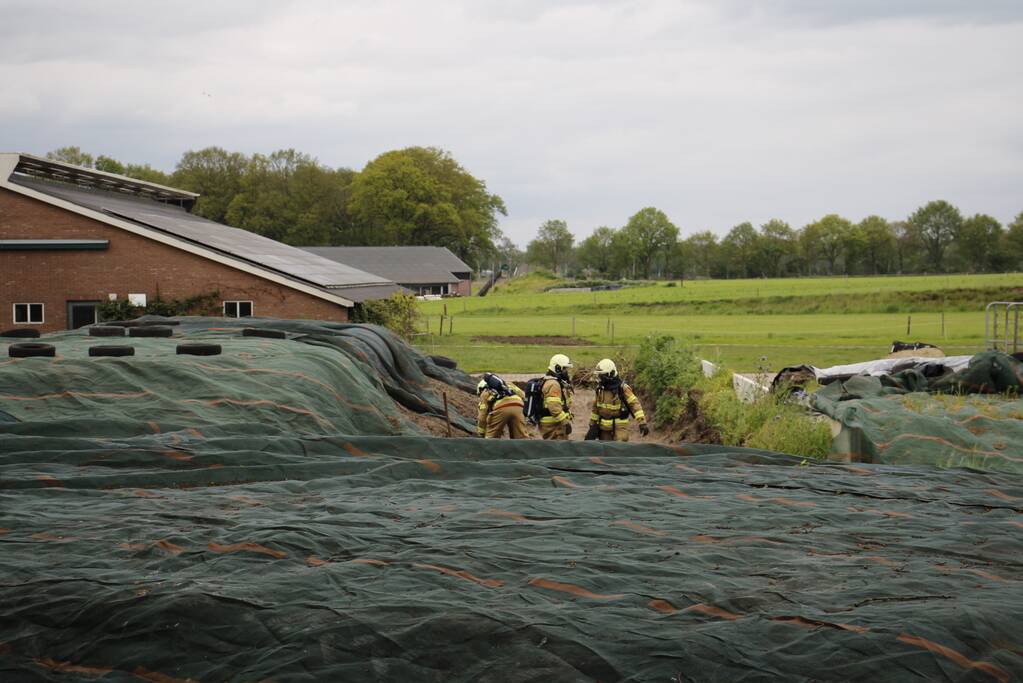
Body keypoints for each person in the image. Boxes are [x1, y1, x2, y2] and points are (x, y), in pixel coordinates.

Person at [584, 358, 648, 442]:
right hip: (604, 429)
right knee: (605, 451)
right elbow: (596, 408)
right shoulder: (600, 389)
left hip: (620, 428)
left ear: (610, 374)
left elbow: (635, 405)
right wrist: (592, 424)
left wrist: (642, 422)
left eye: (602, 375)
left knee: (619, 450)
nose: (600, 378)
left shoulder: (622, 388)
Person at [476, 373, 529, 439]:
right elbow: (523, 396)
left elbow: (482, 417)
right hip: (518, 406)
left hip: (501, 408)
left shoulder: (485, 392)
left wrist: (481, 433)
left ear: (481, 388)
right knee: (521, 437)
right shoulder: (508, 384)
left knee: (491, 439)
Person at [539, 353, 573, 440]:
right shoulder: (554, 384)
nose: (566, 372)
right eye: (565, 369)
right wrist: (565, 422)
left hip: (553, 423)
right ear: (558, 368)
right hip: (553, 425)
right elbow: (554, 407)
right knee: (558, 450)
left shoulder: (552, 381)